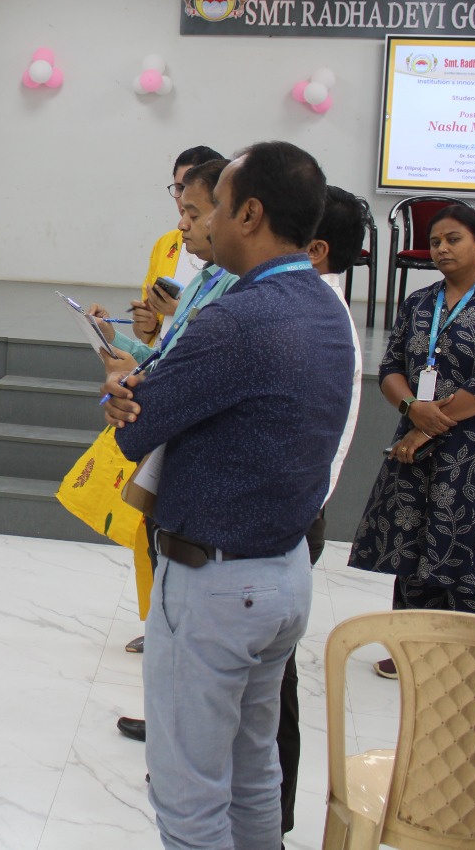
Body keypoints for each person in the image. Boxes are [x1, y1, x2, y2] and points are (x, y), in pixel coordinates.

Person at [102, 141, 354, 850]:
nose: (203, 219)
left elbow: (137, 427)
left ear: (249, 214)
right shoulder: (325, 307)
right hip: (283, 574)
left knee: (189, 798)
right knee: (253, 773)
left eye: (214, 204)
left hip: (215, 583)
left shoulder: (239, 319)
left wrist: (121, 392)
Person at [349, 203, 475, 674]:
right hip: (417, 443)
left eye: (453, 239)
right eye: (435, 242)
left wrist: (424, 425)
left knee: (474, 547)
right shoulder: (419, 302)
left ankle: (473, 656)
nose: (442, 249)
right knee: (414, 544)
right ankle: (411, 651)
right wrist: (412, 408)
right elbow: (390, 368)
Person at [89, 157, 237, 742]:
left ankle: (184, 736)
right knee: (171, 603)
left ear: (233, 213)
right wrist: (120, 347)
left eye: (193, 212)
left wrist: (136, 386)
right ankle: (169, 723)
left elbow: (184, 379)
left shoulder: (241, 296)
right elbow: (166, 354)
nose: (182, 224)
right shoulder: (204, 279)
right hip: (170, 470)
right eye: (179, 206)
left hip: (206, 485)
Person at [276, 184, 366, 839]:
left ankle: (271, 820)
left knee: (270, 684)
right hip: (288, 516)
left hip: (286, 521)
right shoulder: (305, 309)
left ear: (314, 249)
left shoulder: (314, 321)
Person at [130, 145, 226, 348]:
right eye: (179, 188)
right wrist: (147, 325)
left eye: (190, 187)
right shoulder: (166, 244)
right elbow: (148, 334)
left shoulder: (232, 264)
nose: (183, 198)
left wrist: (180, 310)